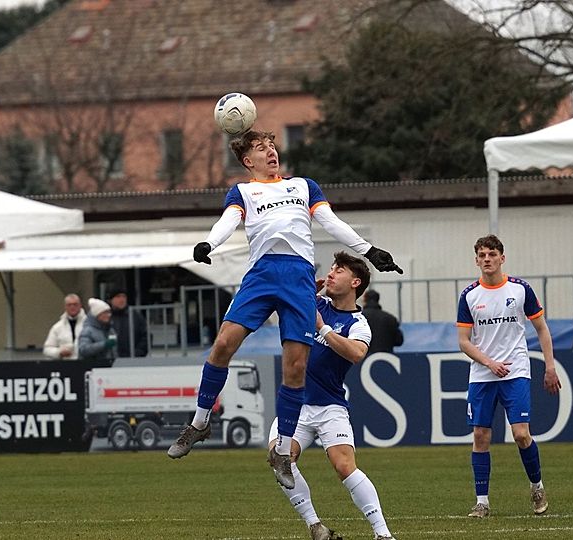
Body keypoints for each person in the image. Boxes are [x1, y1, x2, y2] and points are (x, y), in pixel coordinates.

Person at [167, 129, 403, 491]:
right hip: (261, 274)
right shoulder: (243, 191)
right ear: (248, 161)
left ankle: (282, 451)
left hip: (298, 277)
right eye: (261, 148)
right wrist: (209, 243)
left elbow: (330, 221)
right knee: (223, 344)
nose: (271, 151)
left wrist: (368, 250)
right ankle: (199, 423)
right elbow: (228, 220)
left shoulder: (303, 186)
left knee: (295, 368)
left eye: (272, 146)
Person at [270, 252, 395, 540]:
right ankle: (316, 526)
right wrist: (303, 290)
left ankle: (383, 533)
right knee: (279, 458)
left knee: (344, 467)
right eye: (332, 268)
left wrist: (323, 329)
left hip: (330, 407)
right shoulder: (315, 303)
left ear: (355, 282)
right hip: (297, 404)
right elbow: (279, 302)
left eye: (339, 270)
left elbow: (356, 353)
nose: (331, 273)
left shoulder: (358, 323)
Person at [456, 234, 561, 518]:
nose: (487, 259)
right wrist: (489, 363)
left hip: (516, 371)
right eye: (482, 255)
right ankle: (482, 502)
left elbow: (541, 328)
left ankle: (537, 486)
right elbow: (463, 341)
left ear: (502, 258)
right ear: (476, 261)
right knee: (480, 435)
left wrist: (550, 366)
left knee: (521, 434)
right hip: (483, 374)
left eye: (492, 254)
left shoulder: (520, 289)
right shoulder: (469, 295)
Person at [107, 288, 149, 357]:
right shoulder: (105, 316)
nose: (122, 299)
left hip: (133, 358)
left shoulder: (135, 316)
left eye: (124, 296)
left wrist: (139, 352)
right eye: (118, 297)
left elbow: (146, 336)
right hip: (111, 359)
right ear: (111, 300)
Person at [43, 294, 87, 360]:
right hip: (64, 364)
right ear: (65, 307)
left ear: (80, 305)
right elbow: (47, 349)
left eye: (75, 304)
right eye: (69, 305)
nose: (72, 307)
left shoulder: (88, 325)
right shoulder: (57, 327)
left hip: (86, 363)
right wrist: (59, 352)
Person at [361, 290, 403, 356]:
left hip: (362, 358)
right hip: (385, 358)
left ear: (365, 300)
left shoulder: (358, 318)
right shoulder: (390, 318)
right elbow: (399, 341)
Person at [78, 298, 117, 364]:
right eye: (105, 313)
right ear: (97, 314)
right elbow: (84, 349)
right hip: (93, 366)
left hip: (111, 366)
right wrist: (104, 344)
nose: (108, 315)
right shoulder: (88, 331)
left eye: (109, 312)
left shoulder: (111, 330)